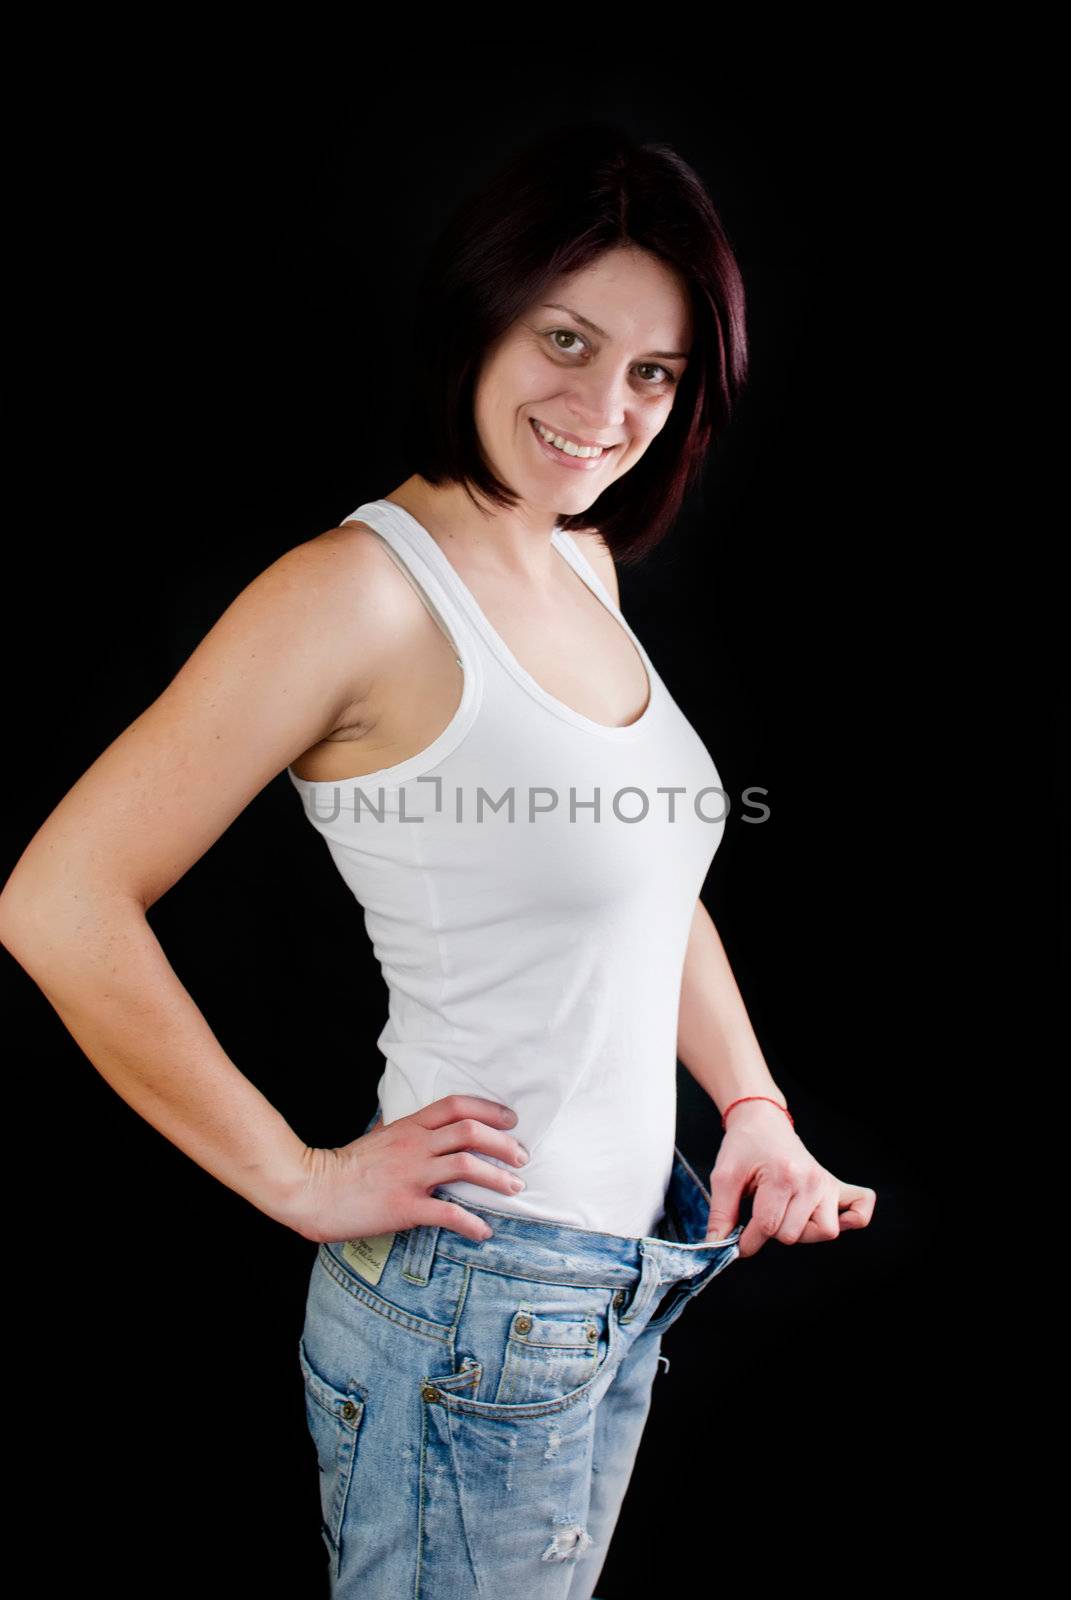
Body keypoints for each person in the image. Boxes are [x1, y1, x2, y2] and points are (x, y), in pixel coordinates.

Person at [0, 122, 875, 1597]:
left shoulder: (578, 558)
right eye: (569, 340)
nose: (606, 410)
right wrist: (295, 1176)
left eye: (654, 374)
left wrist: (754, 1105)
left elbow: (647, 882)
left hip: (618, 1284)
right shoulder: (355, 596)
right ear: (483, 310)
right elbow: (57, 902)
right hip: (469, 1303)